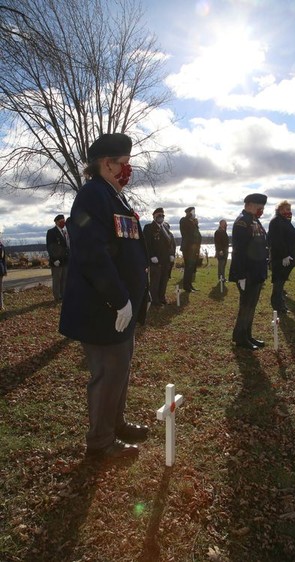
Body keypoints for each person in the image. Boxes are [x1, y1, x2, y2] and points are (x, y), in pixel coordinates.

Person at [59, 133, 150, 460]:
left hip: (120, 308)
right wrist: (118, 298)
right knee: (107, 375)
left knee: (119, 371)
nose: (128, 170)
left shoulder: (114, 197)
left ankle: (116, 423)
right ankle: (100, 442)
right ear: (106, 164)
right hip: (103, 308)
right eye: (124, 164)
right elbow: (91, 254)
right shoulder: (92, 196)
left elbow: (126, 248)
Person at [229, 193, 268, 351]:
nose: (261, 209)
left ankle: (247, 335)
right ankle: (240, 337)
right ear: (250, 204)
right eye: (259, 206)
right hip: (247, 273)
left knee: (252, 305)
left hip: (256, 271)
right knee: (246, 306)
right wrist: (241, 276)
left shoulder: (254, 220)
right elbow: (239, 251)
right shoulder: (242, 222)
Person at [267, 200, 295, 314]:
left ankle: (280, 303)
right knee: (278, 282)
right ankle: (278, 306)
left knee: (281, 283)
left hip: (287, 258)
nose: (289, 212)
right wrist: (285, 255)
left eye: (290, 209)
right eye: (287, 209)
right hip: (281, 259)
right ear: (280, 210)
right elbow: (277, 241)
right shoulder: (276, 221)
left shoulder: (284, 220)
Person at [143, 207, 176, 306]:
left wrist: (171, 254)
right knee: (155, 281)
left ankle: (162, 297)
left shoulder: (166, 227)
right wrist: (151, 255)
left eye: (162, 215)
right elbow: (146, 244)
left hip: (166, 259)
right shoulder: (149, 227)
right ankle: (154, 300)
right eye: (158, 215)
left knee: (164, 280)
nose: (161, 217)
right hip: (155, 260)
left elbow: (170, 243)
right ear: (154, 216)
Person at [46, 214, 70, 303]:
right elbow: (50, 247)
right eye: (61, 221)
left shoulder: (65, 232)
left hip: (65, 260)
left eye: (64, 221)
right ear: (56, 222)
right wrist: (54, 259)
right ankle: (57, 296)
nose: (63, 223)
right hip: (57, 261)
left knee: (64, 279)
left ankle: (63, 295)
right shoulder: (51, 232)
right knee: (57, 280)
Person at [179, 206, 202, 292]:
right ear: (189, 213)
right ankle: (186, 286)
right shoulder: (184, 220)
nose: (194, 214)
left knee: (192, 268)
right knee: (188, 267)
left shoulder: (192, 222)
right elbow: (187, 233)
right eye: (193, 212)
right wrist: (191, 221)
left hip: (194, 249)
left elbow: (196, 234)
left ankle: (189, 285)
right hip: (188, 248)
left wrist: (195, 224)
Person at [0, 240, 7, 311]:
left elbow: (4, 259)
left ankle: (1, 305)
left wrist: (5, 270)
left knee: (0, 289)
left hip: (0, 269)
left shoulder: (1, 246)